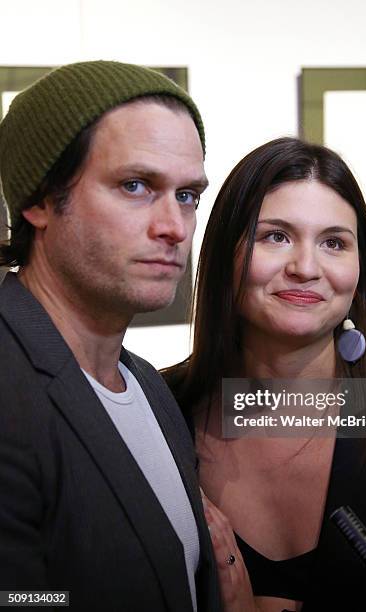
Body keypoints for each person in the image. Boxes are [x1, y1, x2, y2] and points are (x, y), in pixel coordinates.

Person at [163, 137, 366, 612]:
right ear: (225, 254)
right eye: (275, 236)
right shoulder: (159, 408)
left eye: (333, 243)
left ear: (358, 268)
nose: (306, 267)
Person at [0, 60, 221, 611]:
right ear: (40, 200)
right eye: (136, 185)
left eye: (188, 195)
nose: (174, 227)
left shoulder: (147, 386)